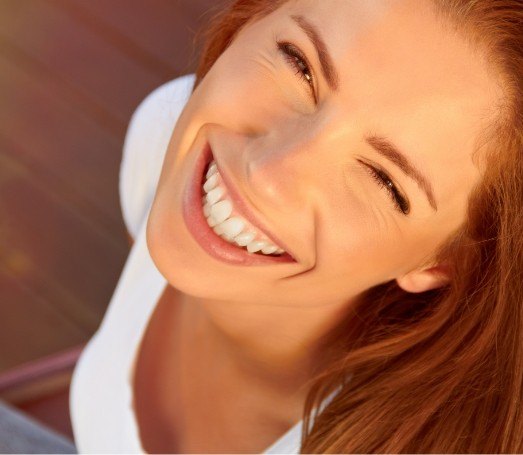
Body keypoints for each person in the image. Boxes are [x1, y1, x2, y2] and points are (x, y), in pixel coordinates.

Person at [69, 0, 523, 452]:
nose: (267, 176)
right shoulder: (164, 135)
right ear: (249, 20)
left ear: (442, 261)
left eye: (384, 180)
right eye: (300, 65)